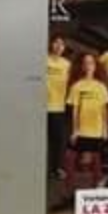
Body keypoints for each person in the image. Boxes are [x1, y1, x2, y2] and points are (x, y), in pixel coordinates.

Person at [65, 52, 108, 190]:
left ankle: (96, 189)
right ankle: (69, 189)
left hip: (96, 130)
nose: (88, 65)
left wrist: (105, 129)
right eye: (86, 63)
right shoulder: (77, 86)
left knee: (96, 161)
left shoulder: (101, 87)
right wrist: (74, 131)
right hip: (81, 130)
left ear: (96, 66)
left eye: (91, 63)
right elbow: (75, 110)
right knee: (69, 158)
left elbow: (104, 110)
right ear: (82, 66)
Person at [45, 35, 71, 179]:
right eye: (56, 43)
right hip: (40, 107)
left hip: (58, 107)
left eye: (62, 44)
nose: (58, 46)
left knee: (58, 140)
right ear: (51, 44)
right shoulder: (43, 60)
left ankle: (56, 168)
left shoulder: (67, 64)